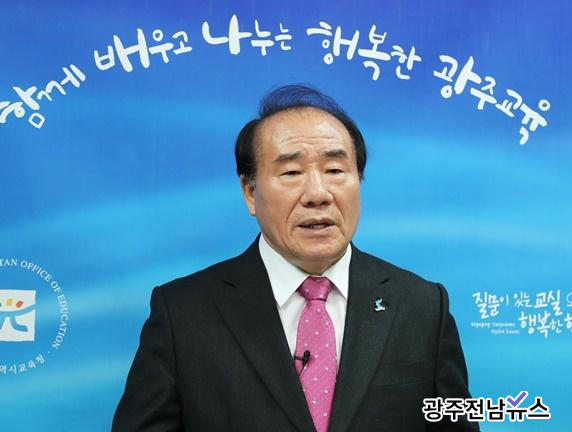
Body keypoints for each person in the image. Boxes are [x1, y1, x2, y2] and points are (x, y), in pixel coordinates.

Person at [113, 84, 479, 431]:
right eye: (291, 172)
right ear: (250, 191)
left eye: (335, 170)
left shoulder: (423, 307)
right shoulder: (183, 314)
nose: (318, 193)